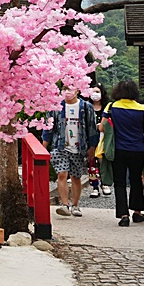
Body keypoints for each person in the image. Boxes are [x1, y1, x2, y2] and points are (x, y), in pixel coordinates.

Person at [43, 88, 98, 218]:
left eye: (70, 88)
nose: (67, 92)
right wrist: (43, 146)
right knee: (62, 173)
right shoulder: (56, 106)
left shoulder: (86, 106)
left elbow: (92, 127)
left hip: (79, 147)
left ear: (77, 90)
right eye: (64, 89)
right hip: (60, 145)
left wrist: (92, 147)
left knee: (76, 176)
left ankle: (75, 205)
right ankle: (65, 204)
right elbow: (48, 128)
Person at [102, 81, 144, 226]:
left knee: (120, 182)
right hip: (138, 149)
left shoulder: (112, 106)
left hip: (118, 149)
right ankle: (137, 212)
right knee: (136, 180)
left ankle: (123, 215)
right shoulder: (142, 108)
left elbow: (102, 127)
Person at [89, 84, 111, 197]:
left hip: (103, 138)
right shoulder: (87, 106)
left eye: (97, 91)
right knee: (92, 162)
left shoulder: (107, 107)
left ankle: (105, 183)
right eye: (93, 91)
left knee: (103, 161)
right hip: (91, 138)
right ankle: (94, 186)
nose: (95, 94)